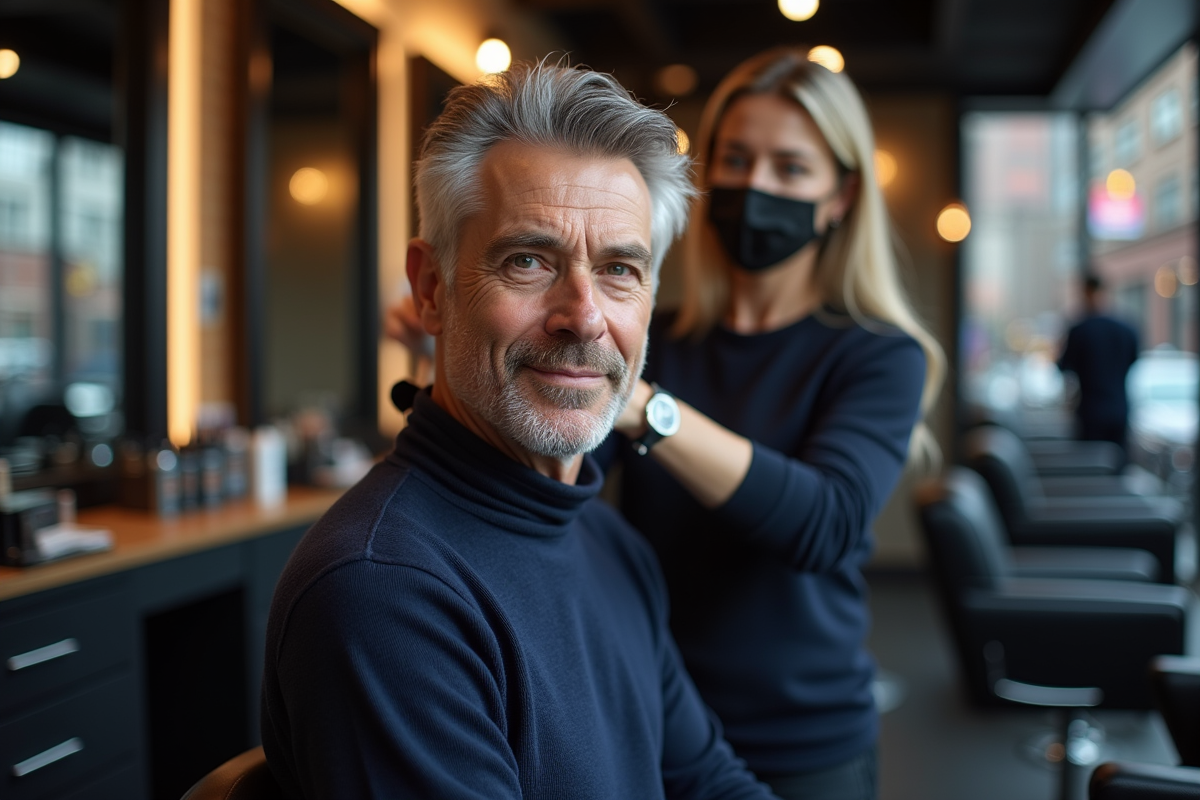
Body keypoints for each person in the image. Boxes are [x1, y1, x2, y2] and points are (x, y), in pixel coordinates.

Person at [388, 48, 945, 800]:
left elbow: (828, 521)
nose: (757, 186)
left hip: (800, 736)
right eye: (738, 160)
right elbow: (549, 479)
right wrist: (463, 347)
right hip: (651, 706)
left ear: (841, 195)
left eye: (790, 168)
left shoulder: (873, 355)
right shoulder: (655, 335)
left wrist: (635, 401)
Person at [260, 60, 778, 799]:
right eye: (529, 260)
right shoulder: (384, 593)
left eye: (620, 270)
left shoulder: (609, 544)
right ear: (432, 289)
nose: (586, 316)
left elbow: (708, 783)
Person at [1057, 272, 1139, 455]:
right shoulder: (1127, 329)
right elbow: (1134, 360)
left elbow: (1063, 367)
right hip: (1120, 409)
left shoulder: (1079, 330)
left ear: (1086, 292)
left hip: (1090, 411)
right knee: (1117, 465)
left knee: (1090, 465)